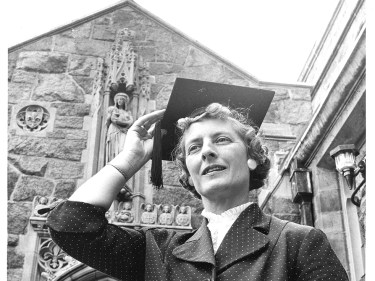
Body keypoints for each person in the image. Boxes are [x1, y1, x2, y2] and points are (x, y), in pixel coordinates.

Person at [45, 79, 348, 281]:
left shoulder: (297, 241)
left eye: (221, 140)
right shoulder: (160, 250)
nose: (207, 152)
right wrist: (129, 160)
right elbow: (69, 224)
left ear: (251, 156)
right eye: (194, 147)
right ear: (188, 171)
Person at [105, 92, 134, 163]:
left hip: (124, 131)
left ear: (125, 102)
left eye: (121, 99)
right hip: (114, 130)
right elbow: (113, 120)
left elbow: (131, 122)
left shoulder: (128, 112)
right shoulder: (114, 110)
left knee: (122, 149)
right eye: (118, 99)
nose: (120, 101)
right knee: (113, 151)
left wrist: (125, 124)